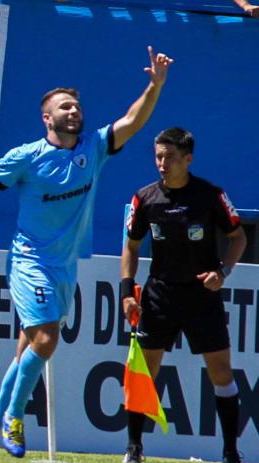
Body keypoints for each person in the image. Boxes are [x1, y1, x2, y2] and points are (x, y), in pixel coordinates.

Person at [0, 46, 174, 461]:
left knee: (27, 350)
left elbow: (132, 121)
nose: (74, 110)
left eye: (76, 105)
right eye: (65, 106)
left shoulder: (92, 148)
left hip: (64, 265)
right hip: (29, 261)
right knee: (46, 339)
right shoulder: (27, 156)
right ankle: (13, 418)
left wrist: (155, 85)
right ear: (48, 118)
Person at [120, 128, 246, 463]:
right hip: (160, 294)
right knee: (145, 371)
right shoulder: (145, 198)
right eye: (158, 156)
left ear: (187, 158)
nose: (162, 163)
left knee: (221, 371)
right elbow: (131, 248)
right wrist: (126, 291)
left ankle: (231, 452)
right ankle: (134, 448)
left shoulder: (210, 196)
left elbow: (238, 238)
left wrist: (222, 272)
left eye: (170, 157)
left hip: (202, 296)